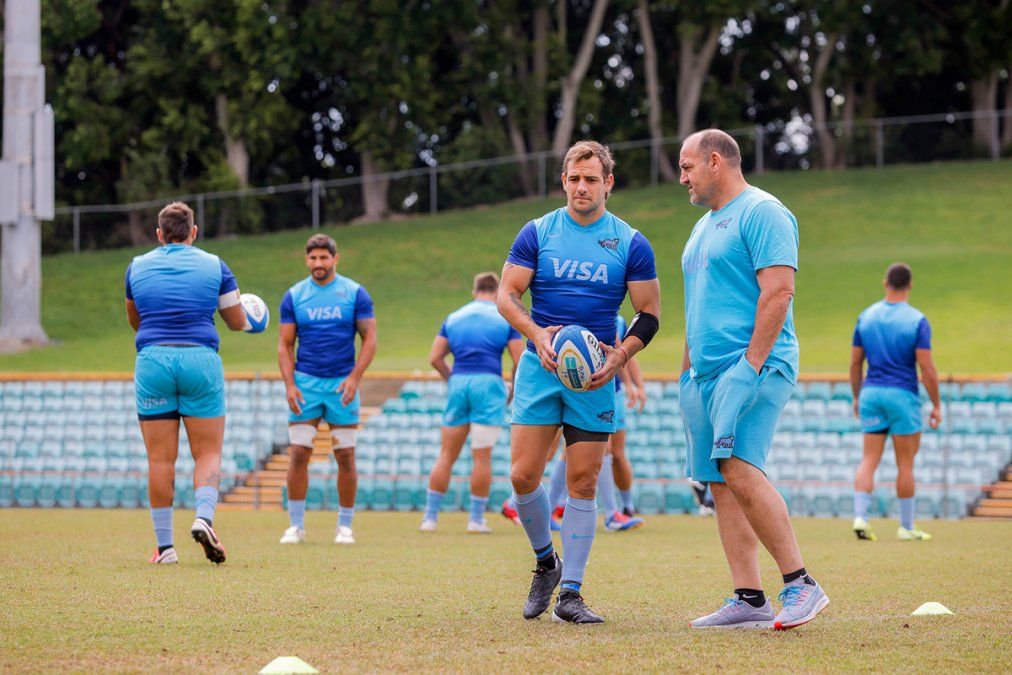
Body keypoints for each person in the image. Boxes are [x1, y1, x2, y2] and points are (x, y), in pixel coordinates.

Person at [498, 140, 661, 624]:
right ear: (563, 180)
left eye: (591, 179)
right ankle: (547, 564)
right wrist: (535, 334)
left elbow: (648, 314)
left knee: (584, 481)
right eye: (574, 178)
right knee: (523, 476)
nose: (581, 187)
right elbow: (507, 295)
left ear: (608, 183)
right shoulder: (538, 232)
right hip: (539, 367)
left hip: (595, 377)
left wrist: (620, 356)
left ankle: (571, 594)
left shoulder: (630, 242)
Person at [678, 129, 827, 630]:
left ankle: (802, 584)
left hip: (756, 366)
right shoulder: (702, 226)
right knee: (720, 480)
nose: (682, 178)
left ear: (715, 161)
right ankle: (749, 597)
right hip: (706, 374)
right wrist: (687, 370)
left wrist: (749, 367)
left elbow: (779, 292)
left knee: (739, 466)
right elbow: (700, 304)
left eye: (687, 167)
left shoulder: (763, 211)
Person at [125, 201, 248, 565]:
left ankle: (165, 549)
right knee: (207, 453)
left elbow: (136, 320)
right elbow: (236, 321)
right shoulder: (215, 265)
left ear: (160, 234)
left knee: (160, 459)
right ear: (193, 232)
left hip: (153, 361)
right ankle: (204, 518)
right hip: (200, 360)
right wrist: (253, 318)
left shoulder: (136, 266)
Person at [277, 234, 377, 545]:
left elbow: (370, 339)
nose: (318, 263)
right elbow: (284, 345)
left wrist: (354, 378)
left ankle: (344, 526)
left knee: (345, 455)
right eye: (313, 258)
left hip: (341, 386)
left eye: (324, 258)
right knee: (299, 453)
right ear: (306, 260)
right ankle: (295, 526)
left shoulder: (355, 293)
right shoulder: (294, 296)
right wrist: (290, 384)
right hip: (305, 384)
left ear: (335, 258)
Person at [419, 272, 524, 533]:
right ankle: (476, 520)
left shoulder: (454, 317)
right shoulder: (504, 316)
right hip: (488, 385)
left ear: (474, 291)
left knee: (446, 454)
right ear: (497, 290)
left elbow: (435, 358)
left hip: (460, 382)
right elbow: (519, 359)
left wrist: (452, 379)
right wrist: (510, 389)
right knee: (481, 457)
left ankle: (430, 518)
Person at [850, 262, 941, 542]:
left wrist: (856, 396)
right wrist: (936, 404)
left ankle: (861, 517)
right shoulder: (917, 320)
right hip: (902, 394)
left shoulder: (866, 317)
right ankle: (906, 526)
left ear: (885, 283)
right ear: (910, 285)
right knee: (905, 464)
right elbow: (926, 369)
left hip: (872, 393)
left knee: (869, 458)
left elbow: (855, 364)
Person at [548, 313, 646, 531]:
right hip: (585, 392)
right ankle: (611, 513)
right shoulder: (570, 323)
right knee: (598, 450)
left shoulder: (614, 319)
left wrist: (632, 385)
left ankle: (623, 508)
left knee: (613, 452)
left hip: (611, 392)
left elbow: (625, 355)